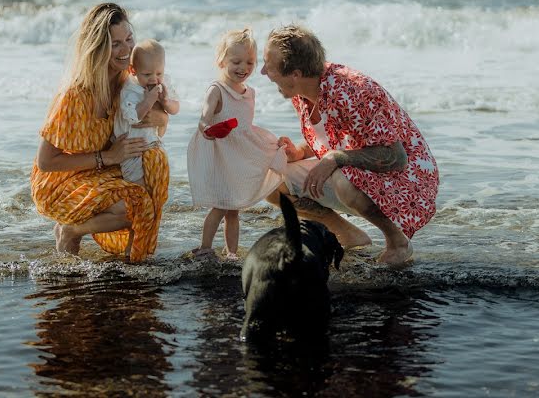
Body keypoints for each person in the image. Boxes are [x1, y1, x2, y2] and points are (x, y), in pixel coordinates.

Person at [260, 25, 438, 265]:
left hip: (408, 181)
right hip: (361, 171)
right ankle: (349, 235)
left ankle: (398, 243)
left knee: (343, 178)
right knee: (272, 181)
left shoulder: (354, 89)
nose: (262, 71)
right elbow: (335, 138)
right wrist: (299, 151)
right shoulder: (302, 91)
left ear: (296, 74)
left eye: (267, 64)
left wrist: (335, 158)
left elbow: (397, 157)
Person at [30, 3, 170, 262]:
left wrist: (159, 115)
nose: (127, 50)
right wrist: (107, 157)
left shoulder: (126, 82)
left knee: (153, 174)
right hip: (62, 181)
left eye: (129, 39)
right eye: (115, 44)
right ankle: (70, 230)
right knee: (135, 205)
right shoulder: (74, 95)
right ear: (97, 47)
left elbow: (157, 128)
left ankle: (134, 260)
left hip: (100, 171)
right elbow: (46, 162)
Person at [187, 28, 287, 260]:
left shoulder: (249, 92)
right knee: (220, 205)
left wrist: (272, 144)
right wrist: (207, 129)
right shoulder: (217, 90)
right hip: (223, 156)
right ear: (221, 60)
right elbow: (203, 119)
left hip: (240, 156)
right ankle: (205, 247)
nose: (243, 68)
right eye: (236, 61)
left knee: (234, 209)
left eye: (250, 62)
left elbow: (246, 127)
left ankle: (231, 251)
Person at [114, 39, 180, 185]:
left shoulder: (163, 83)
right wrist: (148, 101)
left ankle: (157, 204)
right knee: (138, 184)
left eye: (159, 73)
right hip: (133, 148)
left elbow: (176, 108)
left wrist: (165, 102)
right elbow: (133, 117)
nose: (154, 79)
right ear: (133, 70)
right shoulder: (129, 90)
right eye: (147, 74)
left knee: (159, 177)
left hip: (153, 142)